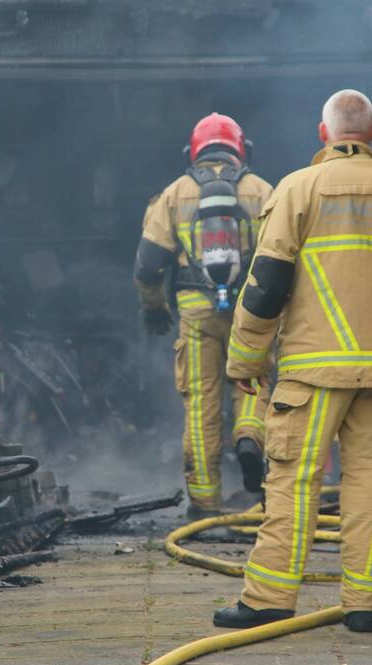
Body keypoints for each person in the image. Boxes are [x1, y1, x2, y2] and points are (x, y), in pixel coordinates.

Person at [214, 90, 372, 633]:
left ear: (323, 135)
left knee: (294, 484)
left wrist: (245, 357)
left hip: (312, 372)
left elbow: (267, 283)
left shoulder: (298, 189)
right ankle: (364, 606)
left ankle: (270, 599)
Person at [134, 113, 274, 517]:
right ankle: (250, 437)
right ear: (241, 149)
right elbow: (282, 256)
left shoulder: (175, 194)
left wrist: (154, 308)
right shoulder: (262, 190)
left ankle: (205, 502)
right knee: (253, 382)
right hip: (251, 310)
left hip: (196, 312)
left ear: (191, 152)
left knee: (201, 403)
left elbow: (148, 264)